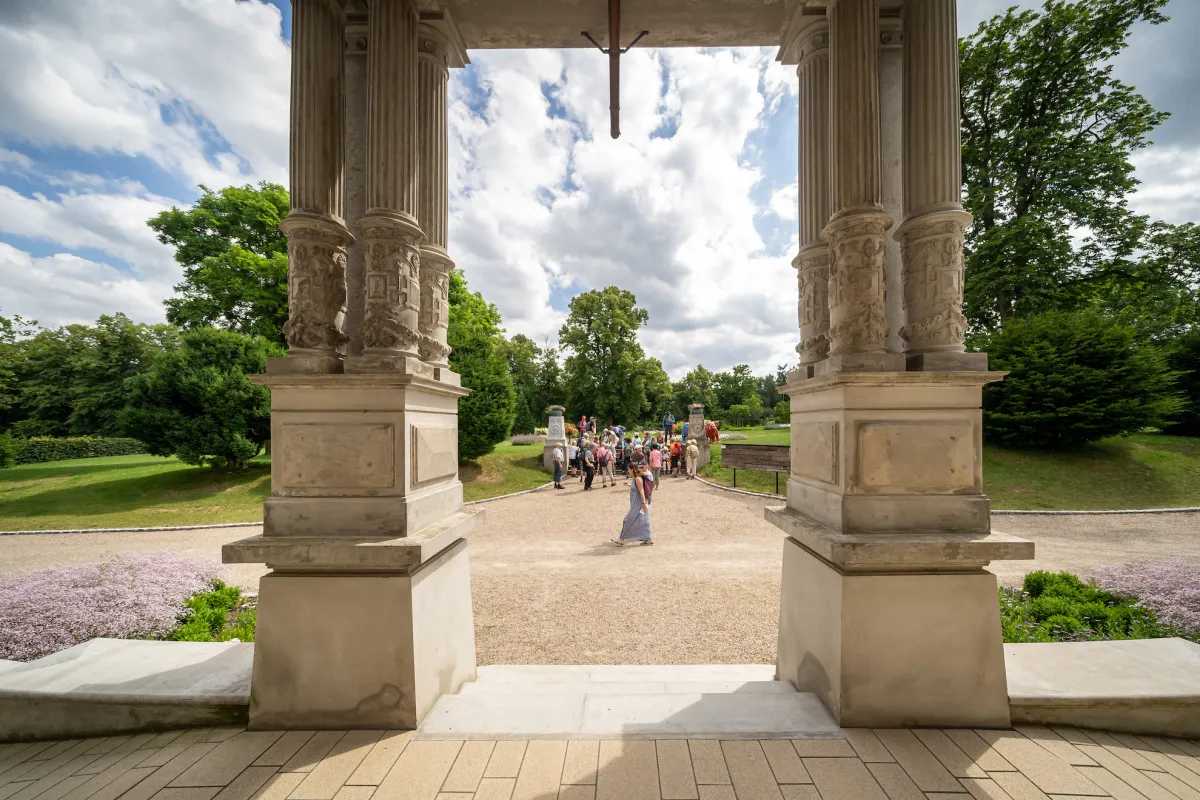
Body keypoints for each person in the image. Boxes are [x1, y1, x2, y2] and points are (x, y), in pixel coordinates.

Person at [612, 462, 653, 546]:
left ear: (632, 469)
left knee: (628, 519)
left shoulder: (638, 478)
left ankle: (622, 539)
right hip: (637, 502)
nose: (628, 470)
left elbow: (641, 491)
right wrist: (629, 485)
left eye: (628, 469)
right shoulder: (636, 479)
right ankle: (648, 538)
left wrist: (643, 503)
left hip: (638, 503)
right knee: (643, 519)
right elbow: (637, 489)